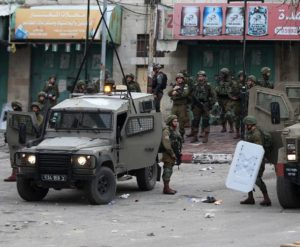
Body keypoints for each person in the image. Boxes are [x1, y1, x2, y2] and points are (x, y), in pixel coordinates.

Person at [240, 115, 272, 206]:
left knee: (257, 179)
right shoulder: (250, 132)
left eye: (246, 124)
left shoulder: (256, 134)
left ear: (250, 124)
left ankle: (267, 198)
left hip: (257, 159)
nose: (245, 126)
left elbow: (258, 148)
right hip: (250, 158)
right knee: (248, 178)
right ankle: (250, 198)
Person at [189, 70, 217, 143]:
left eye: (202, 76)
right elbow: (190, 94)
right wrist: (192, 104)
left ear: (204, 77)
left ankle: (206, 136)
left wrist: (210, 104)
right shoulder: (195, 85)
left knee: (205, 120)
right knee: (195, 120)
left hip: (205, 105)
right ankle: (195, 136)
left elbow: (214, 96)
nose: (200, 78)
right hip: (196, 106)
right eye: (199, 76)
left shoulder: (208, 85)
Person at [161, 115, 182, 195]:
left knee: (170, 170)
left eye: (177, 121)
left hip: (174, 152)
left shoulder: (175, 130)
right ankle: (166, 188)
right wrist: (172, 153)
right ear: (170, 122)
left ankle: (167, 187)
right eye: (174, 121)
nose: (176, 123)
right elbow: (166, 144)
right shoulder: (166, 131)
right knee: (167, 169)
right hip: (167, 153)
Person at [4, 101, 22, 182]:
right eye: (13, 107)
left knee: (16, 156)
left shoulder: (21, 116)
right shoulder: (12, 115)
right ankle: (15, 173)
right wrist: (6, 136)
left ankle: (16, 174)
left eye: (15, 107)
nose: (14, 108)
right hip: (12, 138)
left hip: (18, 139)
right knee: (13, 156)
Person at [168, 73, 189, 139]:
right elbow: (169, 94)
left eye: (181, 78)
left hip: (182, 106)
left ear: (183, 79)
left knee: (181, 121)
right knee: (171, 119)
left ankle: (181, 135)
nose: (179, 80)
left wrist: (177, 92)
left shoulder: (185, 86)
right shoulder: (175, 85)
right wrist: (174, 89)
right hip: (175, 105)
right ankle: (172, 134)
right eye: (178, 78)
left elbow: (185, 94)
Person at [215, 68, 234, 133]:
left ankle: (231, 127)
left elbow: (233, 90)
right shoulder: (220, 81)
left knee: (228, 114)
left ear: (226, 74)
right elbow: (217, 89)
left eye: (223, 73)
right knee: (222, 114)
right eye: (221, 73)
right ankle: (224, 127)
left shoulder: (231, 82)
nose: (221, 75)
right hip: (221, 99)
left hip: (228, 99)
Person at [228, 71, 244, 139]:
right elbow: (229, 92)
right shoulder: (235, 84)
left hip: (245, 103)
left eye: (243, 76)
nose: (242, 78)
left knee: (244, 118)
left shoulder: (246, 84)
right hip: (237, 103)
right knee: (237, 118)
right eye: (241, 76)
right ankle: (237, 132)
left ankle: (244, 132)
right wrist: (233, 98)